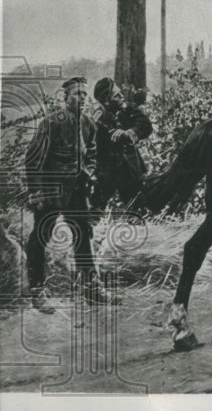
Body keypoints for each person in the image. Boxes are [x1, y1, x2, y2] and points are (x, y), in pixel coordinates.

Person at [23, 77, 115, 312]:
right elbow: (32, 159)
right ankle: (37, 291)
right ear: (65, 97)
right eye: (77, 94)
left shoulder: (88, 124)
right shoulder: (51, 122)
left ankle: (92, 289)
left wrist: (89, 173)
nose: (83, 98)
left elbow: (92, 154)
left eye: (85, 94)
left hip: (77, 190)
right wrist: (37, 192)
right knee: (40, 237)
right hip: (52, 191)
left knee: (83, 236)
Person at [91, 78, 152, 211]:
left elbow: (146, 125)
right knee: (96, 211)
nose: (122, 96)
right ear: (107, 101)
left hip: (130, 169)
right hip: (107, 172)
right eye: (117, 95)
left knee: (138, 211)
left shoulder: (127, 109)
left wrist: (128, 133)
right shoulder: (97, 118)